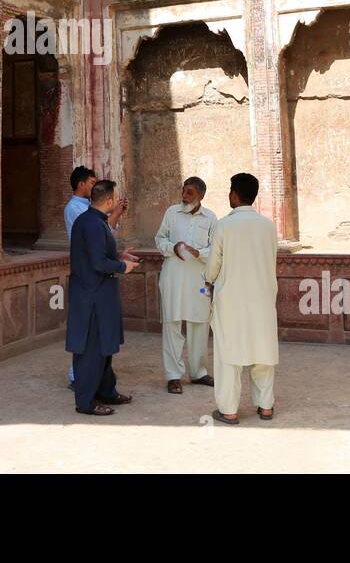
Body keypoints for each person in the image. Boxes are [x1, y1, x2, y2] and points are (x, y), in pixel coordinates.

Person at [205, 172, 279, 425]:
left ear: (234, 194)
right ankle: (265, 406)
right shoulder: (268, 226)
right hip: (262, 298)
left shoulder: (224, 225)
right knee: (262, 352)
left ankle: (229, 410)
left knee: (229, 356)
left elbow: (214, 263)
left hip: (232, 301)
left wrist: (207, 279)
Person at [67, 179, 139, 415]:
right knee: (92, 351)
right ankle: (86, 402)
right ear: (108, 201)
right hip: (93, 298)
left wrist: (119, 255)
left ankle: (107, 391)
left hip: (98, 296)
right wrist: (122, 267)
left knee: (103, 348)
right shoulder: (94, 224)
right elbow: (98, 262)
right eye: (114, 199)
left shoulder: (91, 221)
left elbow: (95, 254)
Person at [63, 166, 127, 388]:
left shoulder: (90, 213)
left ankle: (102, 386)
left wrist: (117, 255)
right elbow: (94, 243)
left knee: (100, 338)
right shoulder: (79, 212)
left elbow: (100, 240)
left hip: (98, 283)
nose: (94, 186)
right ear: (81, 184)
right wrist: (120, 265)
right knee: (87, 337)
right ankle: (80, 381)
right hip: (89, 281)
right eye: (91, 182)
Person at [154, 177, 216, 394]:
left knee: (199, 324)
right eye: (184, 190)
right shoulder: (172, 213)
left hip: (199, 280)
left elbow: (216, 248)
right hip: (172, 278)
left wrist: (200, 253)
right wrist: (173, 247)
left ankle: (199, 372)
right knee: (171, 324)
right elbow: (159, 239)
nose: (185, 195)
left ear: (201, 195)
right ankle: (173, 375)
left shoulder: (210, 217)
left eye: (190, 192)